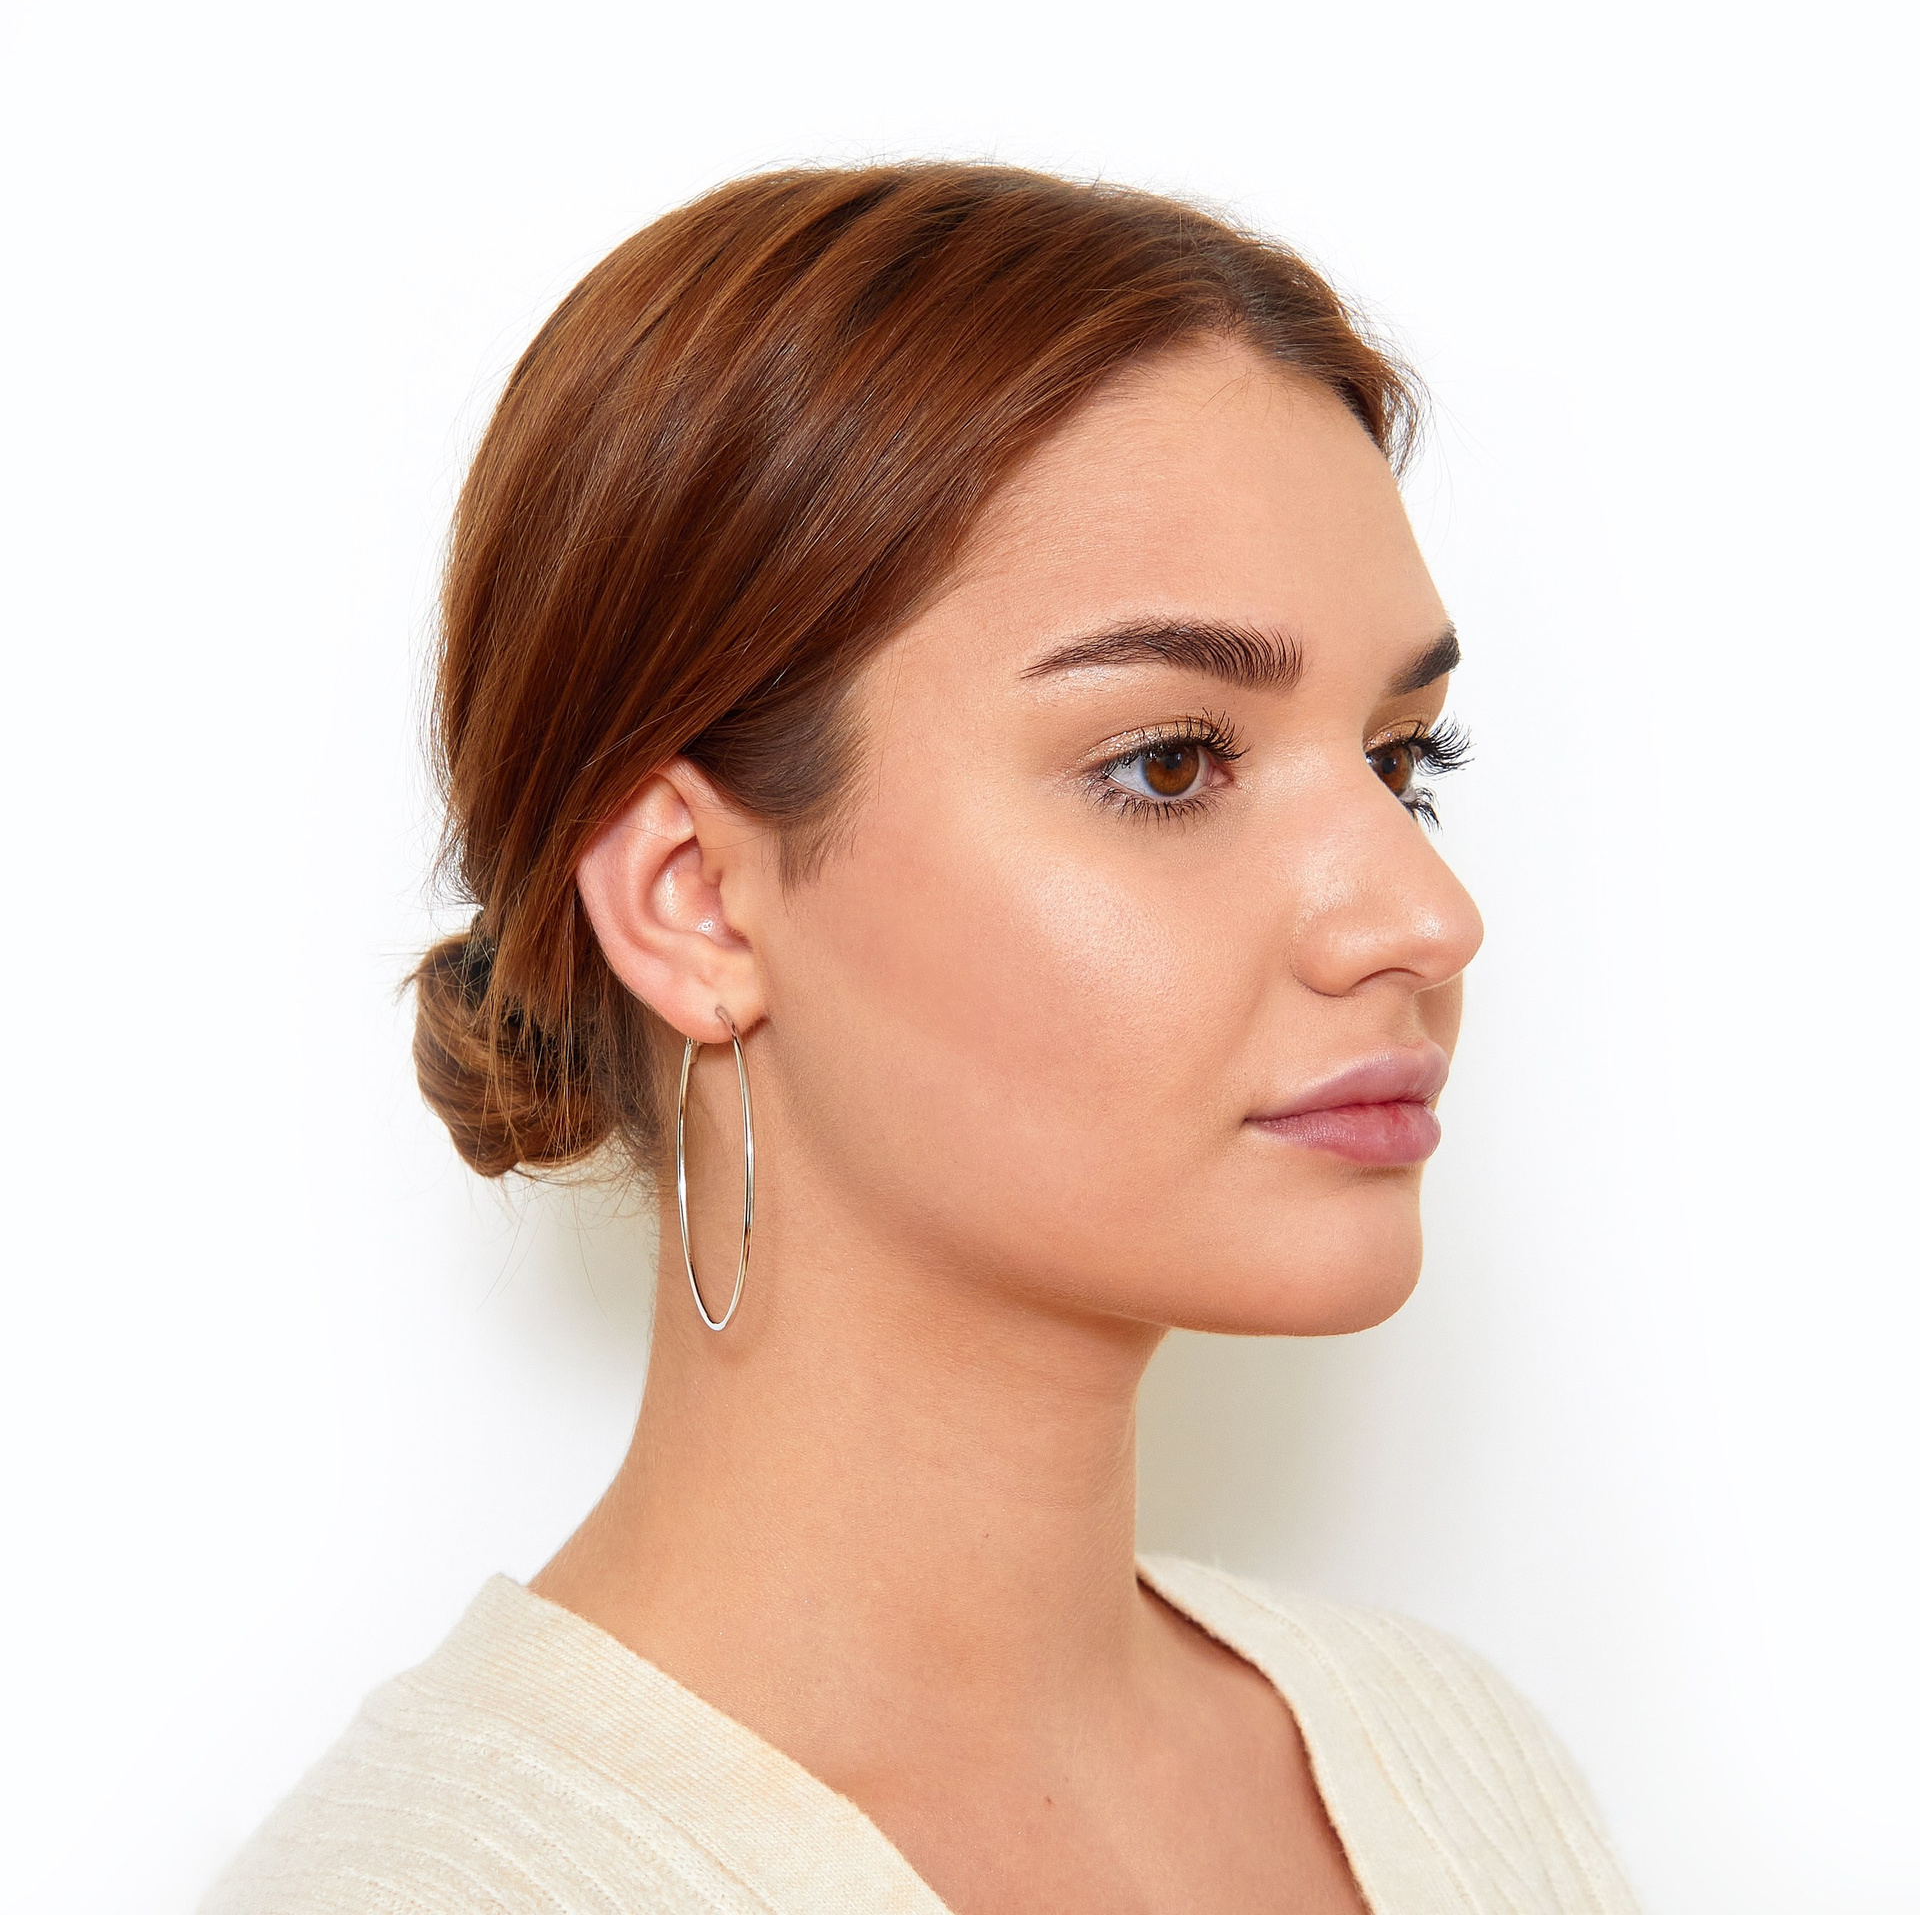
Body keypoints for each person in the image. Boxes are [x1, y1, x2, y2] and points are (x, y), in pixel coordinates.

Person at [204, 162, 1641, 1914]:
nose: (1424, 916)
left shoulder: (1457, 1768)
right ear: (693, 902)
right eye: (1170, 763)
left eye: (1403, 762)